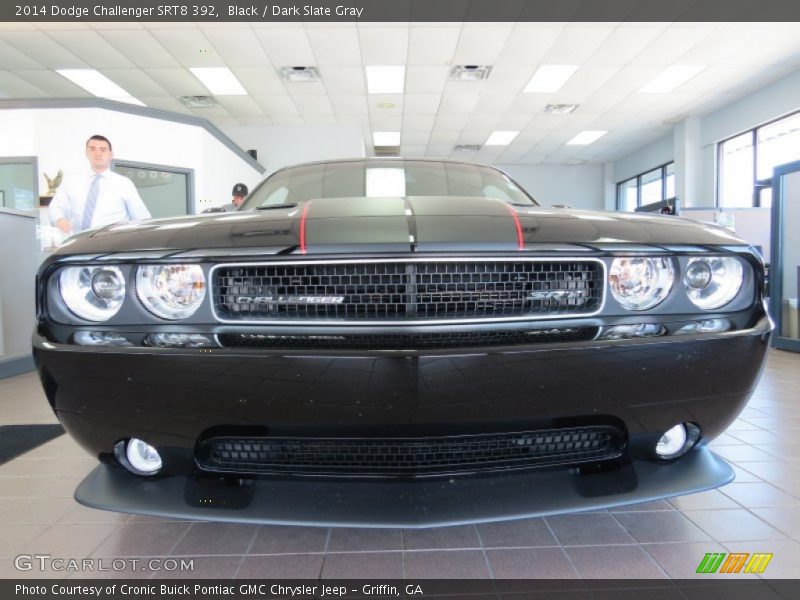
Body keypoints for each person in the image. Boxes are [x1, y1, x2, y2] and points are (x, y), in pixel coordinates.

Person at [49, 135, 151, 235]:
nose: (97, 153)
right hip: (78, 243)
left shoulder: (124, 184)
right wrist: (60, 220)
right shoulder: (71, 182)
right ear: (86, 153)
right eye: (92, 149)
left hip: (112, 244)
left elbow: (142, 218)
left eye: (103, 150)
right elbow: (56, 207)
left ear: (111, 155)